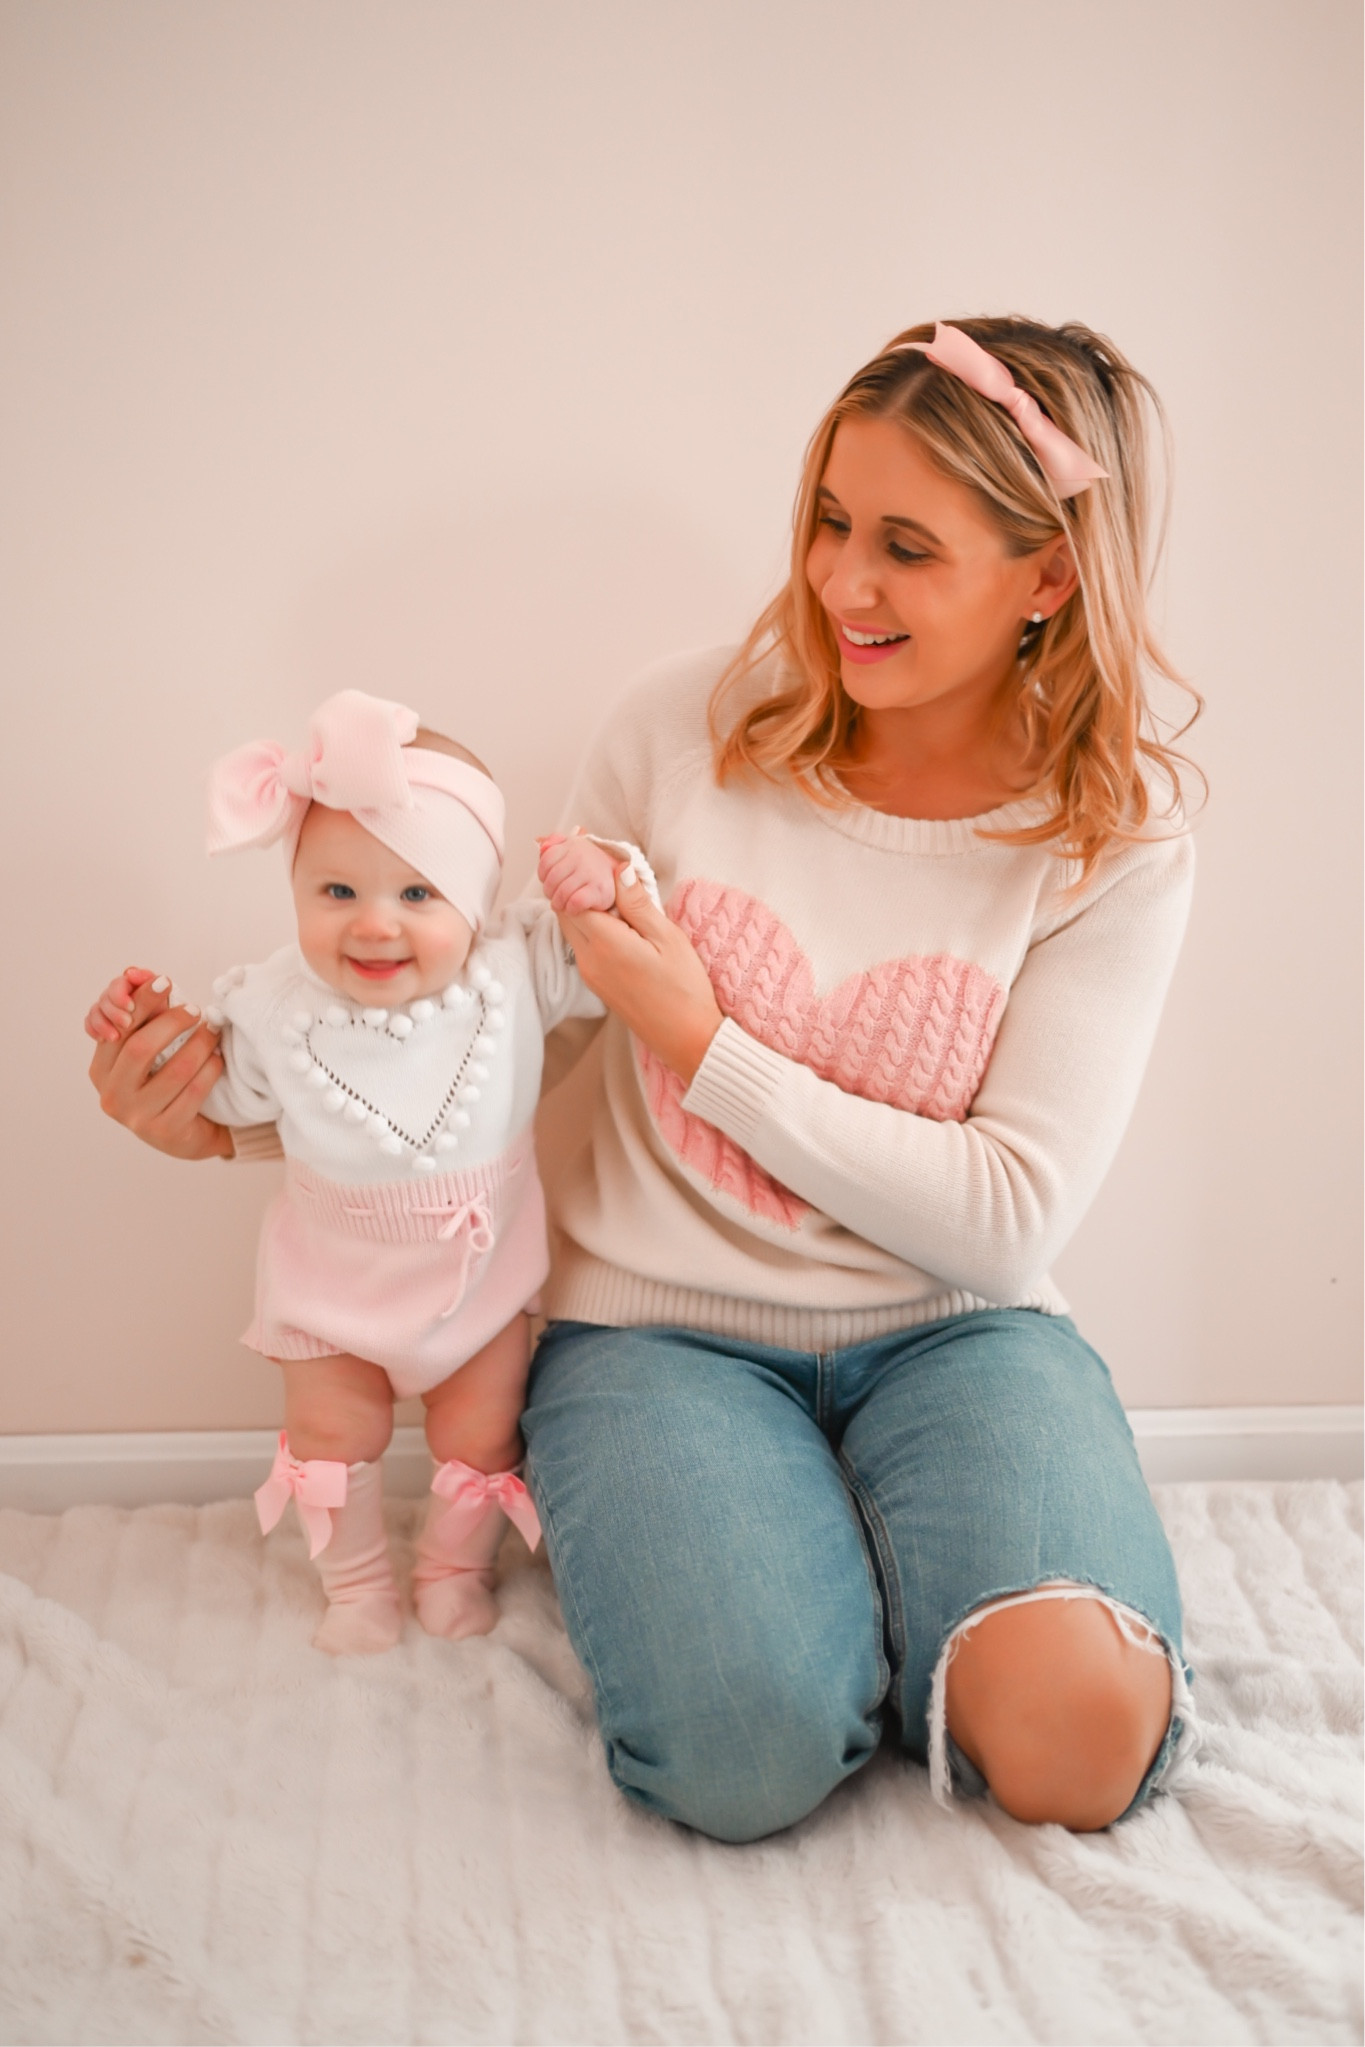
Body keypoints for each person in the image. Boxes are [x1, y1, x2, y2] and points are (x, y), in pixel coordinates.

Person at [88, 315, 1201, 1842]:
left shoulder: (1112, 835)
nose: (839, 582)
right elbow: (504, 1035)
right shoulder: (684, 725)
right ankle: (835, 1586)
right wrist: (225, 1121)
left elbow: (1006, 1218)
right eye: (827, 520)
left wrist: (702, 1043)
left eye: (905, 547)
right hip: (658, 1334)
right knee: (741, 1760)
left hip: (963, 1330)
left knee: (1072, 1749)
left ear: (1049, 577)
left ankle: (898, 1566)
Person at [87, 689, 630, 1652]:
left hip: (477, 1280)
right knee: (330, 1436)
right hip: (330, 1289)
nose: (374, 925)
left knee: (483, 1434)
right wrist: (149, 1039)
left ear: (474, 901)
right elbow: (218, 1098)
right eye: (337, 892)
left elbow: (614, 947)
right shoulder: (272, 1007)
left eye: (417, 894)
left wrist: (607, 877)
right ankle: (357, 1584)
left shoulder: (515, 969)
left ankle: (454, 1569)